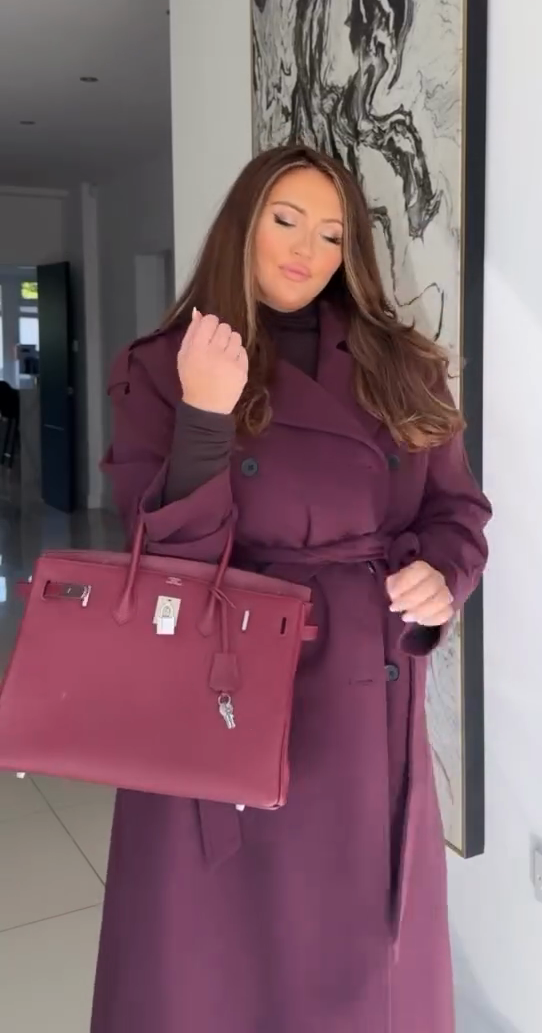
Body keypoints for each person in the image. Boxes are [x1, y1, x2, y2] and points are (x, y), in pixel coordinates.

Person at [91, 143, 492, 1033]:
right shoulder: (164, 365)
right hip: (220, 690)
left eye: (333, 234)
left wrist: (445, 576)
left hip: (362, 696)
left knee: (358, 967)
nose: (308, 250)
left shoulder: (401, 362)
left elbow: (458, 510)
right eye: (286, 220)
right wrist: (205, 412)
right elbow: (162, 567)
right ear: (244, 222)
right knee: (208, 963)